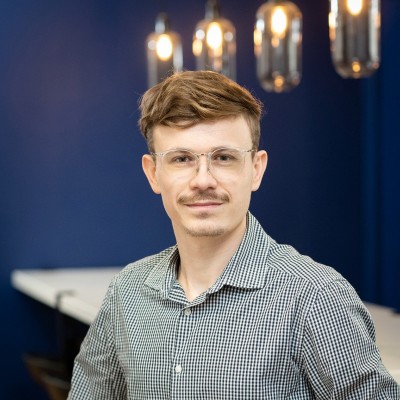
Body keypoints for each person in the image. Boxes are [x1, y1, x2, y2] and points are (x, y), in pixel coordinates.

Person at [68, 70, 400, 399]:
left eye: (224, 157)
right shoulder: (127, 293)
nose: (203, 180)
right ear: (153, 173)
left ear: (256, 169)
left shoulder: (315, 298)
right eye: (181, 159)